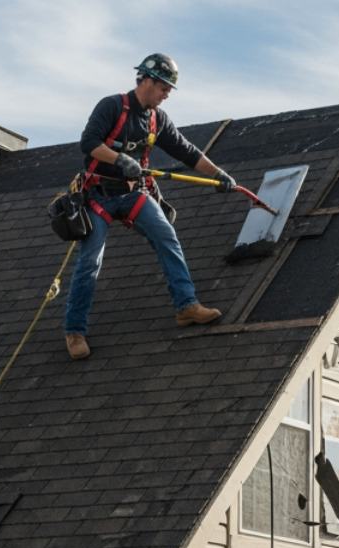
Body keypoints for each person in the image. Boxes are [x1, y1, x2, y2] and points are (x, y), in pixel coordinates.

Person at [62, 53, 236, 361]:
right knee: (91, 261)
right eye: (165, 87)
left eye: (169, 89)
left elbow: (186, 151)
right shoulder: (112, 106)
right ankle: (75, 331)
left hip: (133, 193)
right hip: (98, 195)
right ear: (147, 80)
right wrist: (121, 160)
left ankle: (186, 307)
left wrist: (219, 174)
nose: (167, 94)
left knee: (166, 236)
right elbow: (89, 143)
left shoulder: (157, 119)